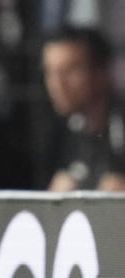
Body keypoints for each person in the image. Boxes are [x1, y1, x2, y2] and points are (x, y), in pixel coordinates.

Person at [41, 26, 125, 191]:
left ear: (101, 73)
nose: (57, 84)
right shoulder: (62, 130)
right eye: (50, 72)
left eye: (70, 70)